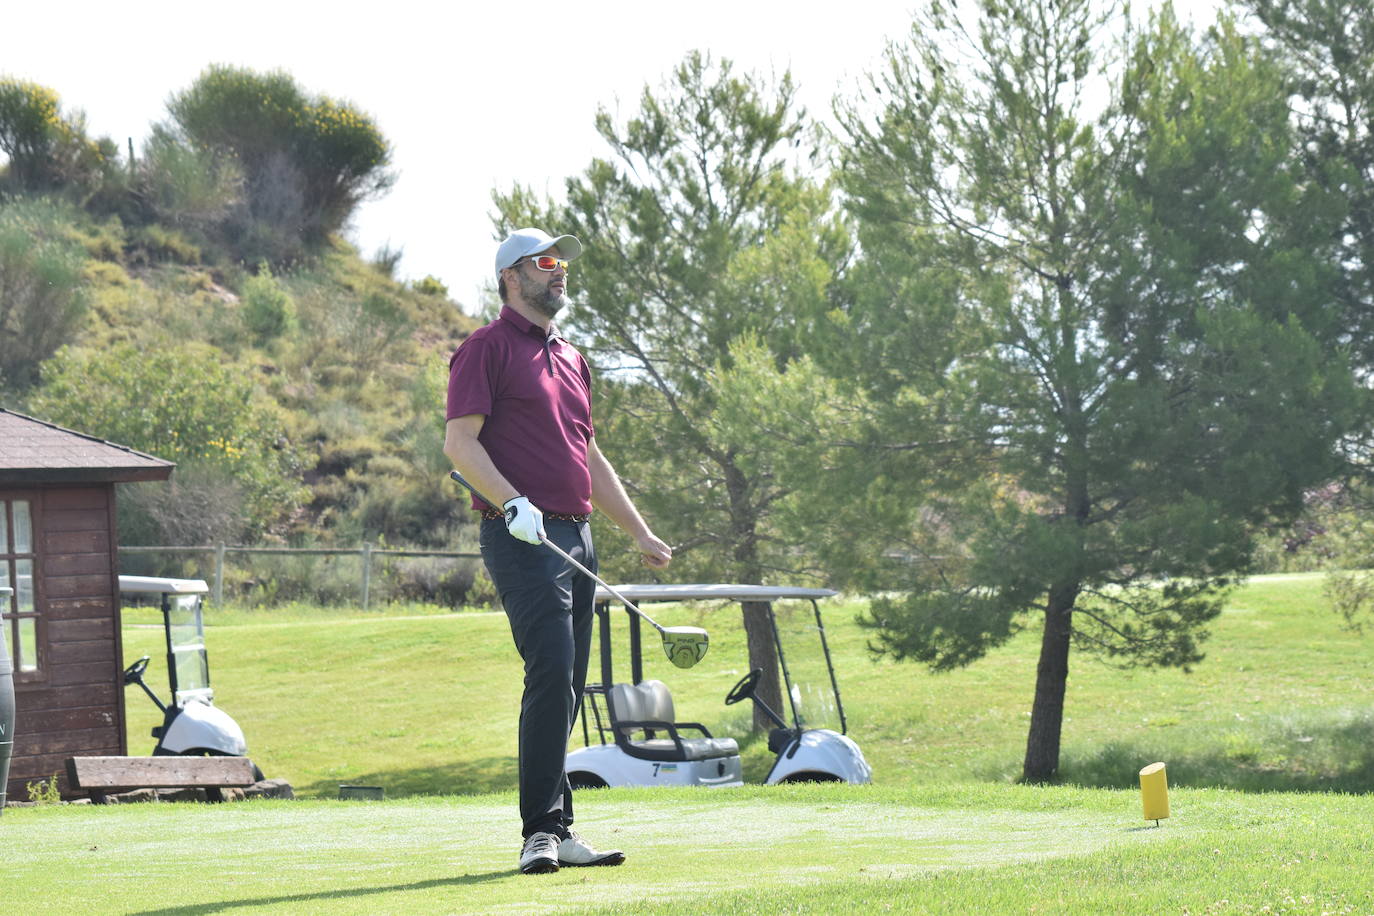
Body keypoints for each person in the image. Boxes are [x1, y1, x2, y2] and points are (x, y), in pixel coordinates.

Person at [443, 227, 673, 875]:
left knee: (569, 682)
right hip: (521, 533)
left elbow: (588, 456)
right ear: (512, 276)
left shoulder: (571, 356)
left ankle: (560, 826)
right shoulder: (484, 349)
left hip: (576, 536)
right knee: (551, 670)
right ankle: (539, 832)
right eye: (547, 263)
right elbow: (460, 445)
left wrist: (638, 531)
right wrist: (511, 501)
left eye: (562, 263)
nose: (560, 272)